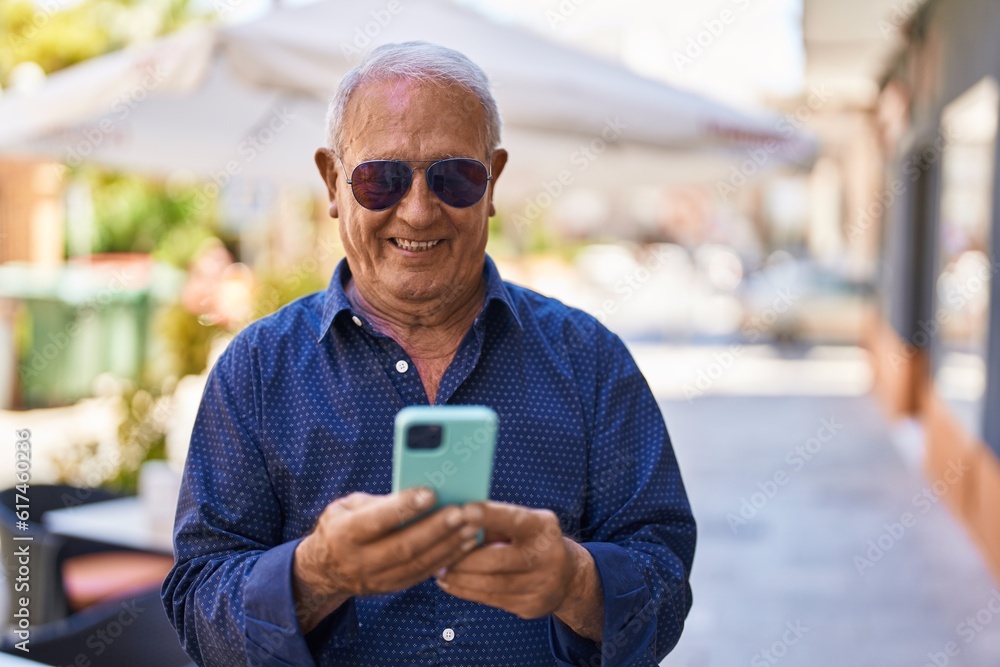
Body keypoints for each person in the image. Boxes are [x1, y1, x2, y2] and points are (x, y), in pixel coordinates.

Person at [162, 41, 696, 666]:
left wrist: (576, 582)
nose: (417, 211)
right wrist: (314, 574)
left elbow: (665, 581)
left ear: (492, 181)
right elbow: (197, 605)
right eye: (380, 179)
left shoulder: (591, 363)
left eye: (455, 177)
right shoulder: (254, 373)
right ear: (333, 182)